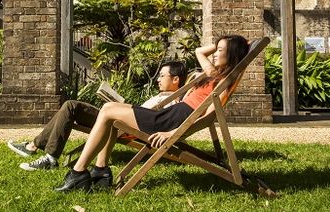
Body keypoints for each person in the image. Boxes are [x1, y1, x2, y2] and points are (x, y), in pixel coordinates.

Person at [53, 34, 250, 192]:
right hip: (171, 114)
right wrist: (222, 44)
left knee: (107, 110)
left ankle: (79, 173)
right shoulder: (214, 75)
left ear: (232, 55)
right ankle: (100, 170)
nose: (214, 53)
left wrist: (173, 134)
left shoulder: (224, 83)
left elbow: (209, 117)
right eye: (216, 49)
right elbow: (200, 51)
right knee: (110, 113)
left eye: (220, 50)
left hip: (172, 121)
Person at [7, 60, 187, 171]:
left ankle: (48, 156)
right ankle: (34, 146)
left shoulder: (173, 101)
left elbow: (155, 121)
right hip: (122, 117)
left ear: (176, 79)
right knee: (70, 107)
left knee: (71, 106)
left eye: (162, 76)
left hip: (122, 125)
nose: (158, 79)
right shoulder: (164, 96)